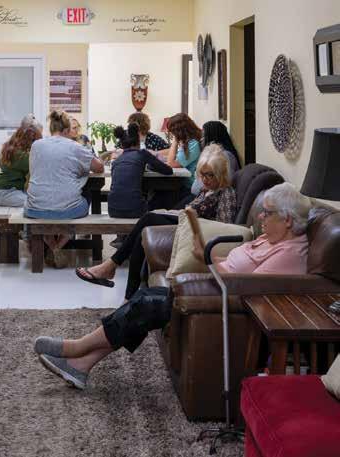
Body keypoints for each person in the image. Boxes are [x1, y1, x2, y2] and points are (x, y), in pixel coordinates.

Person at [35, 182, 311, 390]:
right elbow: (231, 263)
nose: (261, 218)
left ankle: (76, 349)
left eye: (267, 213)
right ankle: (82, 365)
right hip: (212, 287)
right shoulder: (270, 240)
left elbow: (247, 288)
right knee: (143, 300)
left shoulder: (289, 253)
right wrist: (205, 254)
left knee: (145, 304)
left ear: (287, 219)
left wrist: (210, 266)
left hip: (220, 303)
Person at [76, 148, 236, 299]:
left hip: (194, 230)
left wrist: (196, 222)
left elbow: (224, 226)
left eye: (210, 175)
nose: (205, 179)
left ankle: (111, 267)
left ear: (221, 174)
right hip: (185, 223)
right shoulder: (206, 190)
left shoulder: (226, 193)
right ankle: (128, 295)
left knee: (148, 219)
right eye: (203, 175)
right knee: (143, 232)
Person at [24, 110, 104, 259]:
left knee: (47, 205)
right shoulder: (75, 146)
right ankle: (58, 247)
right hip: (68, 211)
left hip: (35, 209)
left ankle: (51, 244)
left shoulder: (36, 145)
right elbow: (99, 167)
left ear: (51, 128)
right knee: (86, 192)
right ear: (67, 130)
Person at [108, 123, 173, 219]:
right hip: (135, 210)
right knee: (160, 196)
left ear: (122, 145)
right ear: (138, 141)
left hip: (113, 210)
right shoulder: (142, 153)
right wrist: (150, 165)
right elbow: (168, 170)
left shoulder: (116, 161)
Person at [148, 113, 202, 210]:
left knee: (157, 196)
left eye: (173, 132)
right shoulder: (188, 142)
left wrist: (175, 141)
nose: (172, 134)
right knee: (156, 195)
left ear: (179, 131)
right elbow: (174, 152)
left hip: (188, 187)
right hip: (181, 183)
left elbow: (171, 164)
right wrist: (155, 153)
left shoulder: (193, 144)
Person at [0, 117, 43, 207]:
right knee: (35, 203)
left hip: (4, 191)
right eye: (35, 140)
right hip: (5, 193)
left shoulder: (14, 148)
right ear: (29, 139)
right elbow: (39, 166)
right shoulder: (20, 155)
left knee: (36, 199)